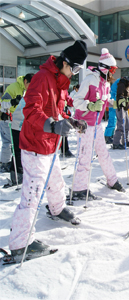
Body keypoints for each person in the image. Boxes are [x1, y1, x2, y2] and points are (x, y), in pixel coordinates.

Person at [8, 41, 88, 256]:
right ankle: (20, 244)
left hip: (50, 145)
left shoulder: (59, 82)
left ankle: (57, 208)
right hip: (35, 145)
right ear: (64, 62)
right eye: (75, 68)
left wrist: (71, 121)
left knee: (56, 182)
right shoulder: (42, 78)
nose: (75, 73)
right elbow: (31, 111)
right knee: (32, 195)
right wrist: (52, 125)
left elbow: (57, 112)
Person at [72, 48, 125, 200]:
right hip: (84, 124)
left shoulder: (105, 83)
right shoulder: (89, 79)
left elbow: (105, 98)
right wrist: (90, 105)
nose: (113, 72)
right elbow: (77, 101)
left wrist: (114, 103)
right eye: (112, 69)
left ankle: (112, 179)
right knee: (85, 156)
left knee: (103, 153)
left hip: (96, 124)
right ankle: (79, 189)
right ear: (105, 68)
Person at [0, 73, 34, 173]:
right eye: (30, 84)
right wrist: (13, 102)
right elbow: (2, 103)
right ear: (25, 82)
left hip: (17, 121)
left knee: (16, 144)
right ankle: (4, 163)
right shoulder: (13, 87)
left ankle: (12, 163)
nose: (31, 87)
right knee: (8, 142)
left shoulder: (27, 91)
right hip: (7, 118)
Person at [112, 72, 129, 149]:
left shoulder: (127, 86)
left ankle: (125, 140)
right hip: (120, 107)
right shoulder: (122, 84)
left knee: (127, 125)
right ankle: (116, 143)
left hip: (125, 108)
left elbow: (128, 96)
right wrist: (128, 99)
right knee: (121, 125)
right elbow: (120, 96)